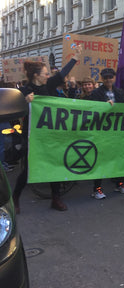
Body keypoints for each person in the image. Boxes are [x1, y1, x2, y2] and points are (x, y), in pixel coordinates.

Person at [13, 44, 83, 212]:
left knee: (55, 164)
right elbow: (15, 111)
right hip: (32, 136)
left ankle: (55, 198)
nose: (48, 76)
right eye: (46, 73)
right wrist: (25, 102)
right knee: (29, 168)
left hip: (51, 135)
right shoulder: (24, 91)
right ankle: (15, 197)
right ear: (36, 75)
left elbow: (62, 74)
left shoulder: (49, 86)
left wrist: (75, 57)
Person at [88, 68, 124, 198]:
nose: (108, 80)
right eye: (105, 77)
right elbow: (92, 109)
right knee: (100, 160)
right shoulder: (96, 93)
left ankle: (119, 184)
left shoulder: (119, 92)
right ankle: (97, 188)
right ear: (102, 79)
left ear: (114, 78)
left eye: (110, 77)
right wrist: (103, 106)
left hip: (117, 131)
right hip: (103, 132)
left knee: (118, 158)